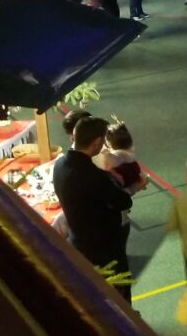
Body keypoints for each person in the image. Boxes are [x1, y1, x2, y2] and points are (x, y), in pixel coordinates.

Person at [53, 113, 136, 299]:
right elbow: (123, 201)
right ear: (98, 142)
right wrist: (133, 186)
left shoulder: (60, 165)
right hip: (104, 248)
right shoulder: (92, 175)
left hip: (79, 241)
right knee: (117, 294)